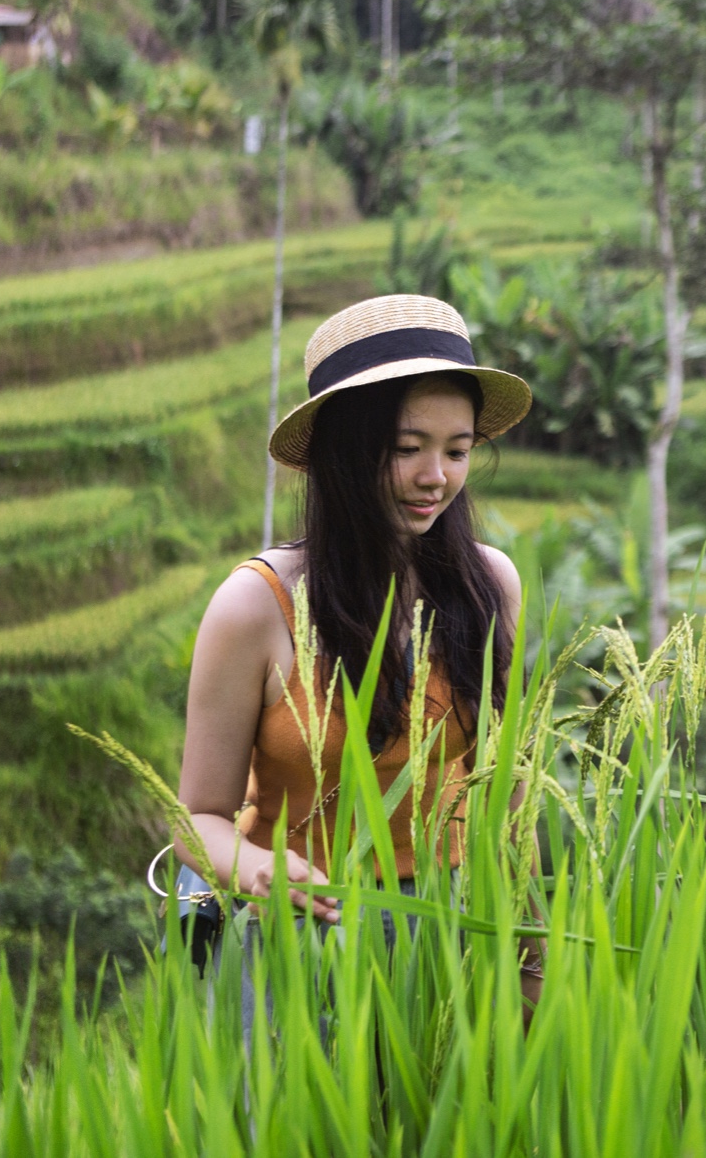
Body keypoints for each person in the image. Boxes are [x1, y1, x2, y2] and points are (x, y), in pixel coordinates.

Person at [172, 294, 536, 990]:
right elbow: (197, 817)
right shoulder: (256, 607)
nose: (437, 477)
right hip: (298, 930)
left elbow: (509, 787)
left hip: (447, 920)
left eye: (456, 451)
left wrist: (523, 945)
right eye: (408, 449)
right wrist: (262, 868)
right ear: (342, 453)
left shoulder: (490, 584)